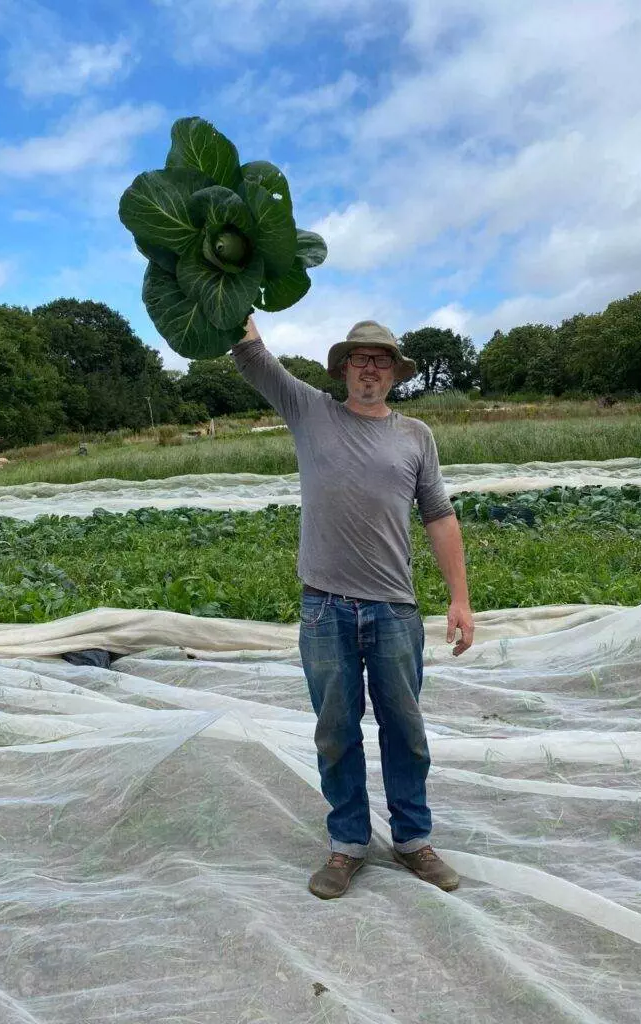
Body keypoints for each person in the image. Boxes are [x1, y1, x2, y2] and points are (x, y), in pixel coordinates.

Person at [233, 317, 474, 899]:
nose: (370, 368)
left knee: (406, 730)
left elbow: (439, 516)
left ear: (394, 372)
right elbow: (254, 360)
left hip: (394, 609)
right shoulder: (311, 411)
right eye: (359, 358)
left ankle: (414, 840)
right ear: (344, 368)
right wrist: (233, 295)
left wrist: (460, 599)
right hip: (324, 609)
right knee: (336, 731)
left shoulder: (416, 436)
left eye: (381, 359)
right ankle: (347, 845)